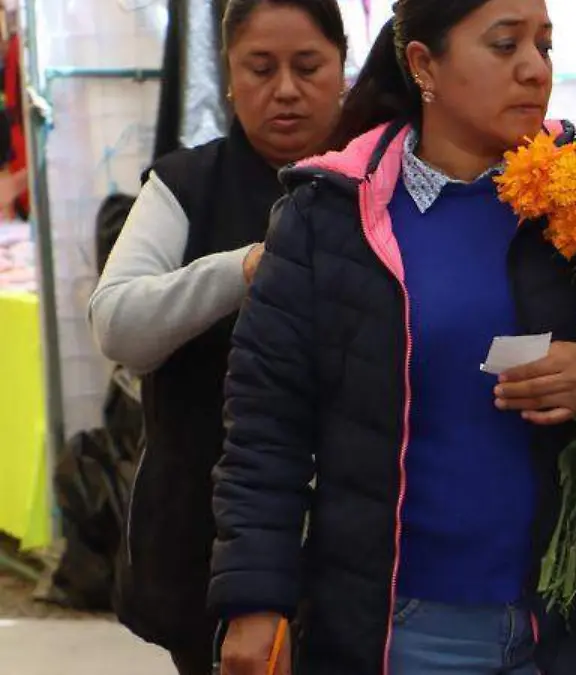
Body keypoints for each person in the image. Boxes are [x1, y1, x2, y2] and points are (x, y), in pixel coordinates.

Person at [210, 1, 576, 674]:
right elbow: (267, 426)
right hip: (402, 629)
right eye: (504, 46)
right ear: (424, 65)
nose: (533, 69)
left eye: (544, 46)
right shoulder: (329, 216)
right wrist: (254, 598)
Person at [86, 2, 347, 673]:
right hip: (202, 540)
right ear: (229, 77)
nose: (285, 88)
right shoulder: (184, 184)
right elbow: (119, 324)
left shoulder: (376, 180)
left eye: (307, 66)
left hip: (355, 537)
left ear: (342, 69)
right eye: (260, 68)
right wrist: (245, 267)